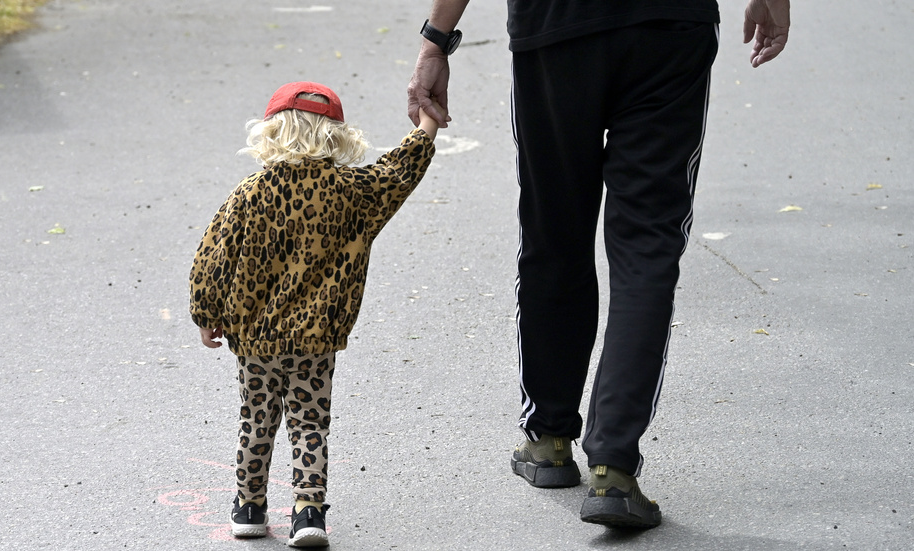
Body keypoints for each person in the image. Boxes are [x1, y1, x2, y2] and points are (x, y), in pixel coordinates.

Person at [408, 0, 789, 529]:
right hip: (669, 29)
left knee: (554, 229)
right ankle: (613, 467)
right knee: (647, 247)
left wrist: (437, 39)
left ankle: (548, 439)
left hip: (555, 28)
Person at [190, 81, 443, 545]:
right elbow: (398, 171)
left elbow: (213, 256)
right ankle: (308, 514)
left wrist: (207, 312)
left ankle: (249, 507)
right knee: (310, 421)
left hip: (255, 339)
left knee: (256, 418)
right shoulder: (354, 193)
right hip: (316, 338)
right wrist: (428, 122)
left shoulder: (249, 194)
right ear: (334, 136)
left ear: (271, 132)